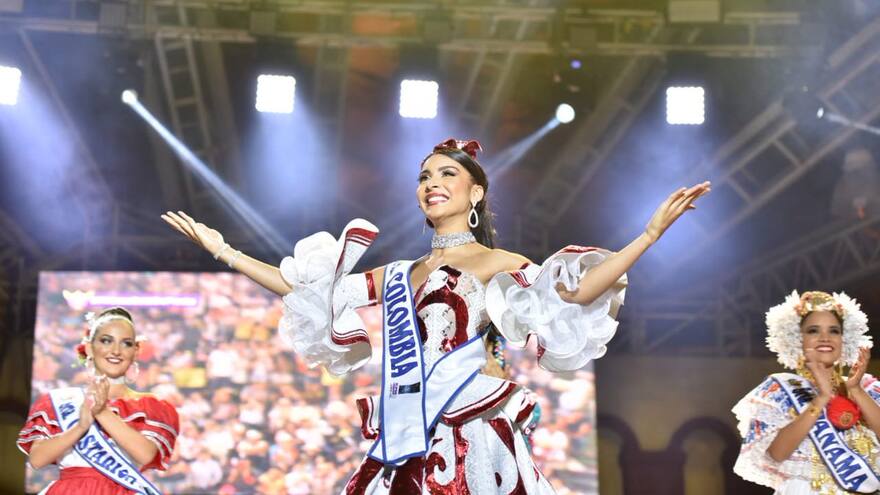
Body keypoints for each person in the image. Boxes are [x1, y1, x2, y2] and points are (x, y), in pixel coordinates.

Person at [162, 138, 710, 493]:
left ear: (476, 192)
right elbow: (307, 291)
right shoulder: (403, 273)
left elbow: (578, 289)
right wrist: (225, 251)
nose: (431, 184)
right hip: (411, 430)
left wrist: (649, 235)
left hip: (475, 425)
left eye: (446, 174)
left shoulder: (499, 262)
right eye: (424, 176)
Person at [17, 307, 179, 494]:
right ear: (89, 348)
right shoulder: (59, 401)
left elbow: (146, 454)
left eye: (126, 343)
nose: (116, 351)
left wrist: (101, 411)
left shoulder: (151, 406)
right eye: (106, 341)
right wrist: (80, 426)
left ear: (135, 351)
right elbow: (37, 460)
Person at [733, 291, 880, 494]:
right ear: (797, 339)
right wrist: (821, 399)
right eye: (813, 330)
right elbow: (777, 453)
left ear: (844, 339)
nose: (825, 338)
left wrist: (856, 391)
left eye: (834, 331)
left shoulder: (867, 388)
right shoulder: (782, 390)